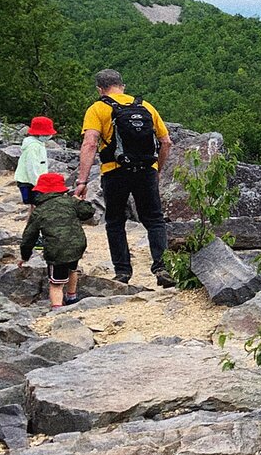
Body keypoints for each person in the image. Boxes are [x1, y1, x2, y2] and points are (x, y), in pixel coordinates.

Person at [74, 69, 176, 287]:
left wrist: (82, 181)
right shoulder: (145, 106)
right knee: (155, 220)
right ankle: (162, 267)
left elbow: (90, 143)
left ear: (100, 89)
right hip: (146, 170)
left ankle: (122, 273)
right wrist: (157, 170)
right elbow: (166, 142)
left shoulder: (98, 108)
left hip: (115, 171)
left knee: (115, 221)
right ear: (123, 86)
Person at [19, 172, 94, 308]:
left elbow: (29, 236)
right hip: (77, 246)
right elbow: (88, 212)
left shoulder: (39, 211)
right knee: (72, 269)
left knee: (56, 284)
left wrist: (25, 256)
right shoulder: (71, 202)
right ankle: (71, 297)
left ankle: (57, 308)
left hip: (56, 250)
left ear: (40, 192)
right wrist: (80, 200)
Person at [15, 116, 56, 217]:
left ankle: (32, 226)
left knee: (35, 206)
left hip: (34, 181)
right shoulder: (33, 147)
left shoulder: (39, 144)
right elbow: (31, 167)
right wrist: (38, 184)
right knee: (37, 205)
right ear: (40, 133)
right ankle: (33, 226)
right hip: (30, 181)